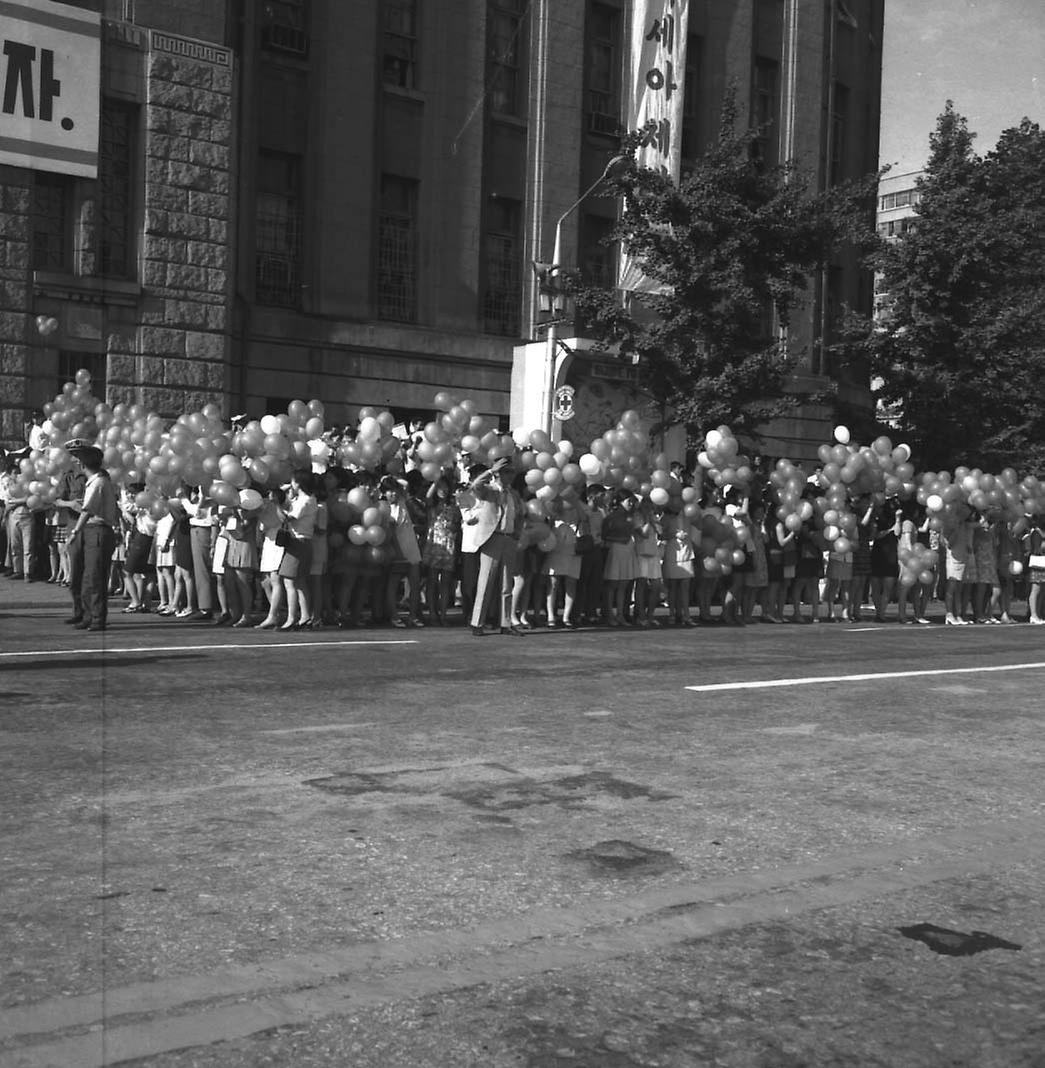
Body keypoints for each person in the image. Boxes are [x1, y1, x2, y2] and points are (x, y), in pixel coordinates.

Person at [64, 443, 120, 631]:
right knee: (88, 577)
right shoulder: (97, 481)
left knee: (95, 577)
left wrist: (75, 531)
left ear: (83, 464)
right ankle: (89, 615)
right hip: (93, 531)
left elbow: (87, 510)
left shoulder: (98, 482)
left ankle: (97, 617)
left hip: (98, 530)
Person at [468, 457, 525, 637]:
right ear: (500, 473)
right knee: (486, 581)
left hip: (508, 538)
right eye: (507, 472)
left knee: (507, 583)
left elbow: (520, 514)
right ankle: (477, 622)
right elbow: (475, 485)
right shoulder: (489, 490)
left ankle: (506, 623)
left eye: (512, 472)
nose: (510, 476)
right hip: (492, 538)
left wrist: (517, 532)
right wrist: (491, 471)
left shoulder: (514, 494)